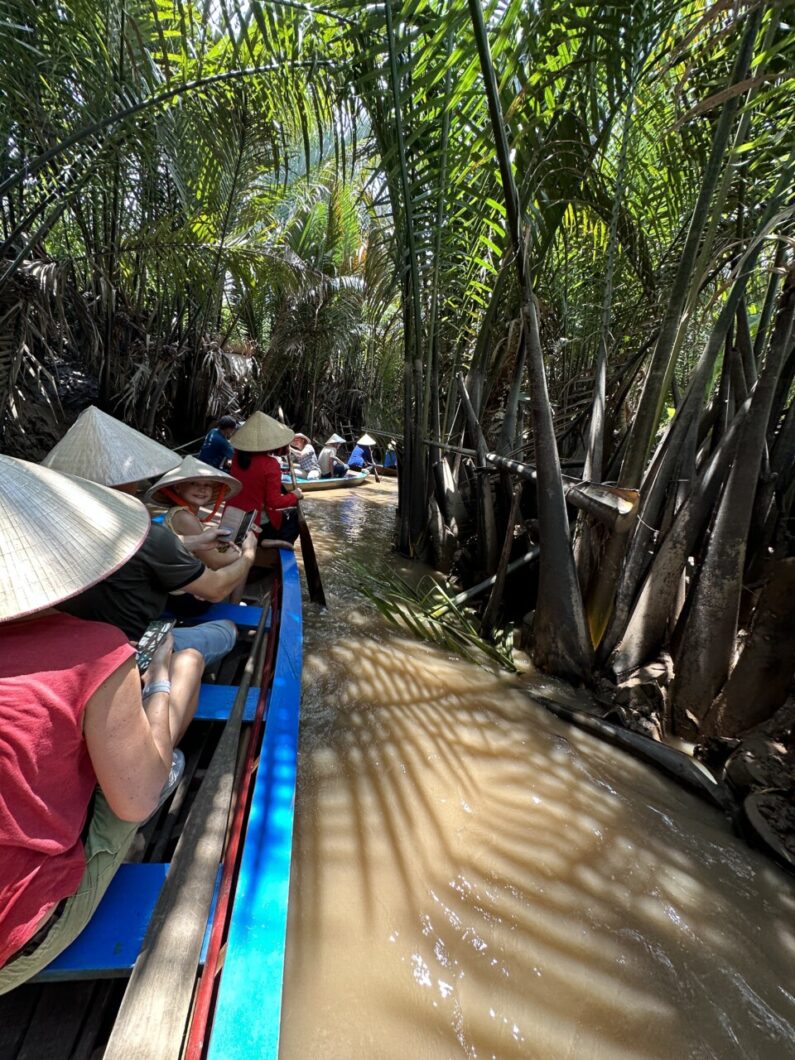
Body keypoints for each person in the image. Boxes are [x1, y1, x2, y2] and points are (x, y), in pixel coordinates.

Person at [0, 456, 204, 992]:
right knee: (140, 783)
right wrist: (157, 680)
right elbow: (134, 801)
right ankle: (167, 748)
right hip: (15, 944)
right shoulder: (91, 650)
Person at [45, 410, 256, 666]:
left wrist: (194, 541)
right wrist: (248, 555)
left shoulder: (51, 532)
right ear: (132, 479)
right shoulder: (144, 534)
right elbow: (215, 589)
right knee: (226, 630)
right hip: (129, 652)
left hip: (71, 645)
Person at [145, 455, 243, 570]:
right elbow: (215, 562)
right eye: (193, 484)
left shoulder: (182, 513)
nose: (202, 489)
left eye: (207, 485)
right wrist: (244, 552)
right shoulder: (185, 517)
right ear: (177, 487)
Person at [227, 411, 303, 545]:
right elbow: (274, 502)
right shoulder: (270, 464)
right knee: (294, 515)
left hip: (232, 516)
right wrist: (295, 495)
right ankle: (272, 542)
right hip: (255, 522)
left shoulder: (237, 458)